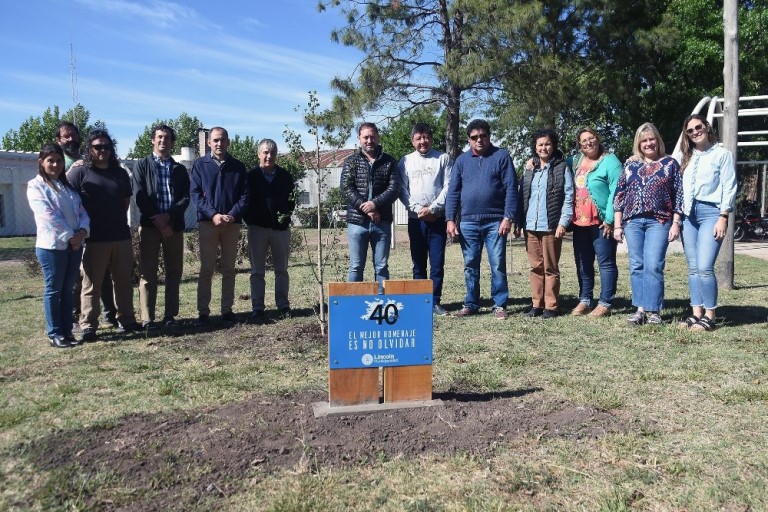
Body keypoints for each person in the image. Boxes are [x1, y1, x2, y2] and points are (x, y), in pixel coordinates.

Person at [67, 130, 142, 341]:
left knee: (123, 282)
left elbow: (125, 202)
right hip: (93, 238)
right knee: (92, 284)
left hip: (120, 236)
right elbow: (67, 199)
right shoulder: (80, 172)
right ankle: (89, 325)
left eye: (107, 147)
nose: (103, 151)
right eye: (98, 147)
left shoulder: (119, 173)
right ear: (89, 149)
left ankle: (127, 320)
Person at [445, 119, 517, 319]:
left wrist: (508, 217)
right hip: (468, 223)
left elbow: (511, 188)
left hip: (495, 221)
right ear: (469, 139)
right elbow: (453, 192)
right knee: (470, 265)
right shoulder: (461, 161)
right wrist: (450, 219)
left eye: (483, 136)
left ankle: (499, 305)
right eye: (474, 137)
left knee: (498, 264)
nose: (479, 140)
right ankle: (471, 303)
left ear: (489, 136)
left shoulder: (501, 156)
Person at [613, 122, 683, 326]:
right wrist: (618, 225)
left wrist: (676, 222)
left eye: (651, 139)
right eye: (644, 140)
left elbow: (679, 195)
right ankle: (640, 309)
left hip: (659, 221)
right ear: (638, 143)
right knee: (637, 265)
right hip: (633, 221)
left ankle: (654, 312)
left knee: (653, 264)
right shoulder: (630, 165)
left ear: (658, 140)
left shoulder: (670, 164)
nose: (648, 143)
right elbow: (619, 195)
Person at [676, 114, 737, 331]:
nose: (695, 132)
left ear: (707, 127)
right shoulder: (687, 156)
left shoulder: (722, 154)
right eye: (690, 130)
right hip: (688, 215)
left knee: (704, 267)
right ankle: (696, 313)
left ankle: (710, 315)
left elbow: (729, 186)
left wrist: (723, 216)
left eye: (698, 127)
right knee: (693, 268)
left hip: (711, 213)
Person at [56, 121, 118, 328]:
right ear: (59, 140)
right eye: (66, 136)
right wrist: (69, 172)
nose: (71, 139)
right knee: (76, 276)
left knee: (103, 272)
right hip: (70, 228)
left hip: (91, 227)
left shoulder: (87, 160)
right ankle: (76, 317)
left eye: (74, 135)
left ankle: (110, 313)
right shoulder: (58, 161)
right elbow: (55, 191)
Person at [27, 143, 90, 348]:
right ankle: (54, 333)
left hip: (74, 245)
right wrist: (71, 237)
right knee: (54, 290)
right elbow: (47, 216)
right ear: (41, 162)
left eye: (59, 160)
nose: (55, 164)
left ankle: (67, 331)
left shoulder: (68, 187)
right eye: (50, 160)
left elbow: (81, 212)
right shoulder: (36, 186)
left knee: (67, 289)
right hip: (52, 247)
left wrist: (82, 232)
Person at [132, 124, 190, 329]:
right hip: (149, 227)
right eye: (159, 137)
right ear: (153, 140)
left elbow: (184, 198)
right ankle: (148, 318)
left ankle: (170, 316)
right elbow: (139, 196)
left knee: (174, 272)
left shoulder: (179, 169)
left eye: (167, 138)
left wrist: (168, 218)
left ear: (172, 142)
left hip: (173, 226)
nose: (163, 141)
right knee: (148, 273)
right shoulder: (142, 165)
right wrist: (157, 220)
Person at [190, 127, 249, 325]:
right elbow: (195, 194)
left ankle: (227, 310)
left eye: (222, 140)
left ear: (228, 142)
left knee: (229, 269)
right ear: (208, 143)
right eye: (215, 140)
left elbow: (245, 196)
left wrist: (232, 215)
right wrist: (213, 214)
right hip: (208, 223)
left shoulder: (238, 167)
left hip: (231, 225)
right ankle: (203, 312)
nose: (219, 143)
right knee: (207, 268)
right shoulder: (200, 165)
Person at [516, 129, 574, 318]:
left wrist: (563, 222)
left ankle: (551, 306)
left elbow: (568, 196)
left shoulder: (561, 167)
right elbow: (522, 196)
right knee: (535, 267)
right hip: (531, 226)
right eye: (540, 144)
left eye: (547, 144)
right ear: (535, 147)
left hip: (550, 225)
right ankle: (536, 304)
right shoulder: (530, 168)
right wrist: (519, 221)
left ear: (553, 145)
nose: (544, 147)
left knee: (550, 267)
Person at [398, 123, 452, 316]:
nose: (423, 141)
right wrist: (418, 209)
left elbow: (448, 186)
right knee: (418, 262)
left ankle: (435, 301)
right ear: (413, 141)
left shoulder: (443, 158)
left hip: (437, 219)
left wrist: (433, 208)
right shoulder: (405, 161)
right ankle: (419, 301)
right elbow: (402, 189)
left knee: (437, 263)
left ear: (431, 138)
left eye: (426, 137)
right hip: (416, 220)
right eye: (418, 138)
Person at [569, 128, 622, 318]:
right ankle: (585, 299)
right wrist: (533, 160)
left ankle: (605, 302)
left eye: (591, 139)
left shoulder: (611, 162)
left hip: (601, 223)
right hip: (579, 223)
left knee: (605, 263)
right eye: (583, 141)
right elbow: (555, 162)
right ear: (579, 144)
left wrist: (609, 219)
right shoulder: (575, 161)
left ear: (598, 139)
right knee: (583, 263)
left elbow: (616, 191)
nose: (588, 143)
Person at [343, 122, 400, 292]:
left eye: (372, 136)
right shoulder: (351, 161)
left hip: (381, 222)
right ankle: (354, 305)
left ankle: (382, 304)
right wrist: (364, 206)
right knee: (355, 266)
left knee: (381, 266)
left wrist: (375, 204)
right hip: (357, 222)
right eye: (365, 137)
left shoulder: (389, 161)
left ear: (378, 137)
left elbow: (394, 188)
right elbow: (346, 188)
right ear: (359, 139)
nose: (369, 140)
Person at [243, 139, 295, 324]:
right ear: (259, 154)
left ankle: (283, 305)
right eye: (265, 152)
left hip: (280, 230)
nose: (269, 156)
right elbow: (244, 201)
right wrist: (251, 220)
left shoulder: (285, 176)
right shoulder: (251, 176)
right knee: (257, 271)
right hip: (257, 229)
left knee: (281, 270)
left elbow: (292, 200)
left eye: (272, 152)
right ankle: (257, 308)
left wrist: (285, 218)